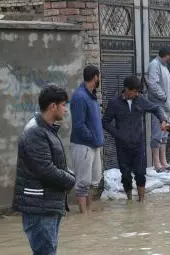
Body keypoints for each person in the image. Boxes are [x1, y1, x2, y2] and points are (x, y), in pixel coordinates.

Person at [12, 85, 75, 255]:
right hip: (39, 207)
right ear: (53, 106)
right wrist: (70, 180)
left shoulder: (46, 129)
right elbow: (45, 170)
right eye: (64, 105)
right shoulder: (35, 132)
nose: (66, 110)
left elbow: (55, 164)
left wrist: (68, 175)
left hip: (47, 205)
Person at [103, 76, 168, 202]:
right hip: (122, 146)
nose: (137, 94)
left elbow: (156, 108)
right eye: (134, 91)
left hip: (138, 144)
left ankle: (141, 201)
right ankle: (129, 201)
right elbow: (105, 122)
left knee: (140, 174)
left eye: (138, 92)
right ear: (126, 89)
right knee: (126, 175)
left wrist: (163, 120)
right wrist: (118, 135)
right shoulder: (114, 103)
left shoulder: (140, 100)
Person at [70, 65, 104, 214]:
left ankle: (89, 212)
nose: (100, 79)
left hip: (94, 145)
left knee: (93, 181)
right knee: (83, 183)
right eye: (99, 76)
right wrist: (92, 138)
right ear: (96, 77)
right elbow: (79, 125)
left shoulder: (91, 96)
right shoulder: (80, 96)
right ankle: (84, 216)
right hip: (83, 145)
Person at [146, 47, 170, 173]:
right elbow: (152, 84)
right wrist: (163, 97)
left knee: (164, 135)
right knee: (157, 134)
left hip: (167, 106)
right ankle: (157, 164)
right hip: (159, 105)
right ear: (168, 55)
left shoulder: (164, 66)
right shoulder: (154, 65)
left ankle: (164, 162)